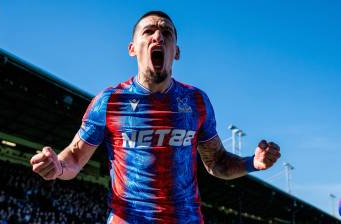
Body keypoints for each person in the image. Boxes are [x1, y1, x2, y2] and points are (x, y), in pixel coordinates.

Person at [30, 10, 281, 224]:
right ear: (132, 48)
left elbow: (217, 163)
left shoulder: (196, 102)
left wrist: (253, 163)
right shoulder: (110, 101)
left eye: (167, 33)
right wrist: (58, 166)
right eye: (148, 31)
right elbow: (74, 158)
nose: (158, 36)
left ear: (177, 51)